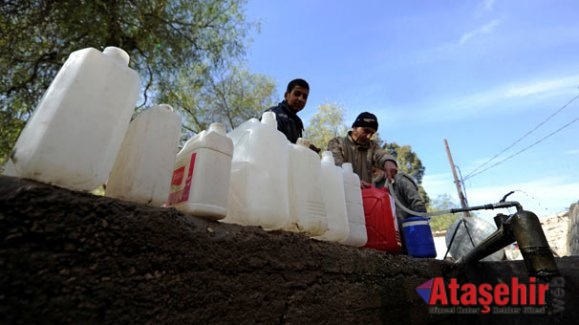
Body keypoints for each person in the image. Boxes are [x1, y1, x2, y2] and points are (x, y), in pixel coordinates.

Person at [327, 112, 398, 187]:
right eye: (366, 131)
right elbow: (336, 167)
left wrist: (389, 162)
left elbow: (382, 155)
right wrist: (353, 181)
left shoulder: (372, 146)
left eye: (372, 133)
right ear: (354, 128)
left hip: (367, 196)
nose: (368, 136)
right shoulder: (337, 143)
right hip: (342, 193)